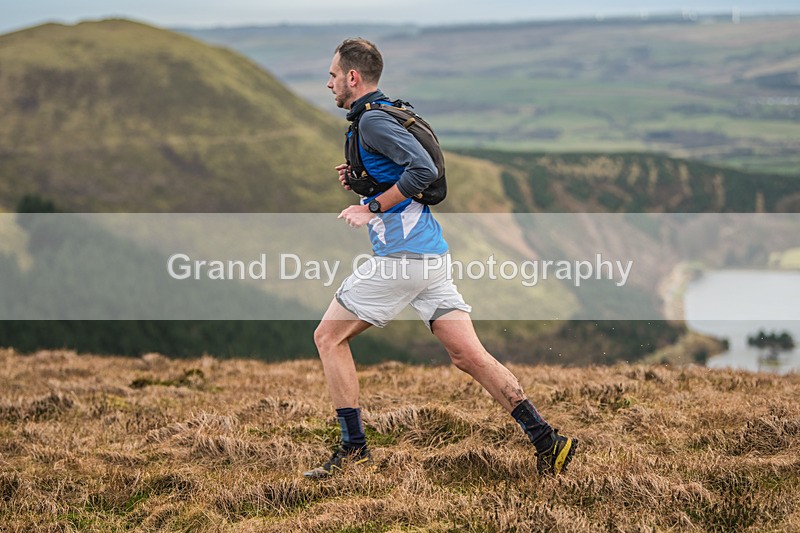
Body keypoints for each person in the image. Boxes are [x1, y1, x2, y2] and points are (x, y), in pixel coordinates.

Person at [303, 38, 577, 479]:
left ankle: (353, 449)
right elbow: (402, 175)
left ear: (353, 77)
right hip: (431, 260)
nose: (328, 82)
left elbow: (423, 172)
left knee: (328, 338)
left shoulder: (373, 122)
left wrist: (369, 207)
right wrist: (363, 182)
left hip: (402, 260)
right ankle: (547, 439)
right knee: (470, 356)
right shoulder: (383, 114)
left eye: (333, 75)